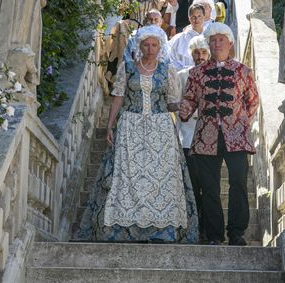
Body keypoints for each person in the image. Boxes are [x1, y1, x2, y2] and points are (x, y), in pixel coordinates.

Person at [76, 25, 199, 243]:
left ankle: (162, 231)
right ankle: (121, 229)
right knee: (126, 177)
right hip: (130, 127)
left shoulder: (168, 70)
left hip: (161, 130)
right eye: (146, 45)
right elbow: (118, 97)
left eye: (154, 45)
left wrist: (180, 106)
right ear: (139, 46)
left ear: (160, 46)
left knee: (161, 179)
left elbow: (171, 102)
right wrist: (110, 125)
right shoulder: (128, 67)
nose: (150, 49)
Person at [179, 23, 259, 246]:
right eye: (212, 40)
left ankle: (236, 233)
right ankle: (214, 235)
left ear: (230, 42)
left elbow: (253, 101)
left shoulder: (243, 71)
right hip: (206, 136)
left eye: (221, 39)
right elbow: (190, 99)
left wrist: (239, 121)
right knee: (209, 186)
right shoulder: (197, 73)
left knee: (239, 182)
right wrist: (185, 109)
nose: (216, 44)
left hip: (237, 137)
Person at [104, 0, 175, 90]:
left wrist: (167, 0)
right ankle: (121, 75)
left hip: (148, 28)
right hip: (131, 28)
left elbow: (160, 10)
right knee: (121, 26)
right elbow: (120, 12)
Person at [176, 35, 211, 242]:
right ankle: (192, 228)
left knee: (209, 187)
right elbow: (175, 104)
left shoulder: (215, 76)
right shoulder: (182, 76)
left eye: (203, 52)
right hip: (187, 136)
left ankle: (207, 228)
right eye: (196, 52)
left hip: (210, 139)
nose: (200, 56)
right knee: (191, 186)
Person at [168, 4, 206, 71]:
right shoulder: (179, 39)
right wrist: (185, 71)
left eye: (199, 16)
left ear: (204, 17)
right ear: (189, 18)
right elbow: (171, 59)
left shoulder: (209, 37)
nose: (196, 19)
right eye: (193, 17)